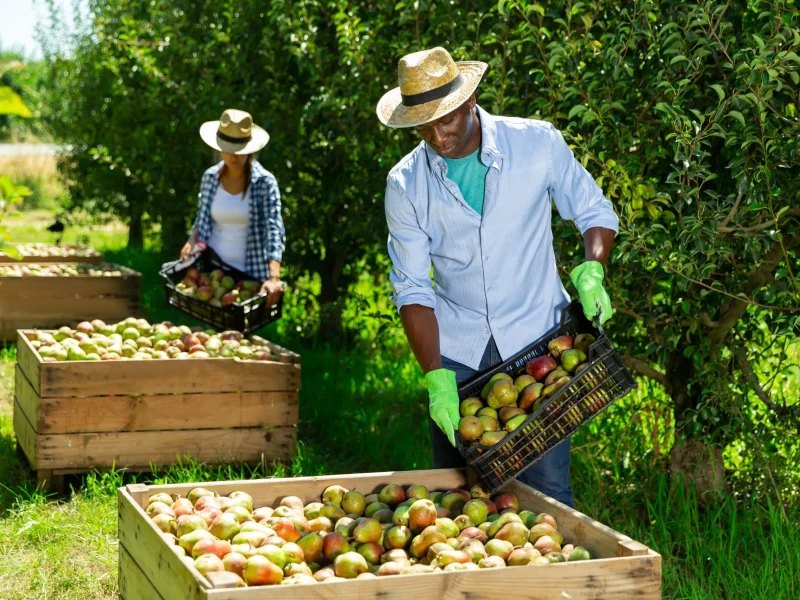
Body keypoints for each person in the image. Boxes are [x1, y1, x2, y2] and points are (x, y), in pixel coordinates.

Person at [376, 47, 619, 508]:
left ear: (469, 101)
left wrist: (593, 269)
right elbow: (412, 287)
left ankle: (550, 582)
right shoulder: (406, 184)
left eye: (444, 120)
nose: (436, 136)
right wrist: (436, 377)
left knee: (548, 493)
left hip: (538, 340)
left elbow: (593, 210)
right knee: (455, 497)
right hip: (459, 351)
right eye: (422, 126)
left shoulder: (536, 144)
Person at [182, 109, 286, 307]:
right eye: (228, 148)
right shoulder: (210, 178)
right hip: (212, 274)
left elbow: (274, 228)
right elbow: (202, 219)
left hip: (249, 275)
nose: (233, 155)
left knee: (243, 334)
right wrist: (191, 240)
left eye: (239, 149)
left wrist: (274, 276)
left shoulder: (265, 182)